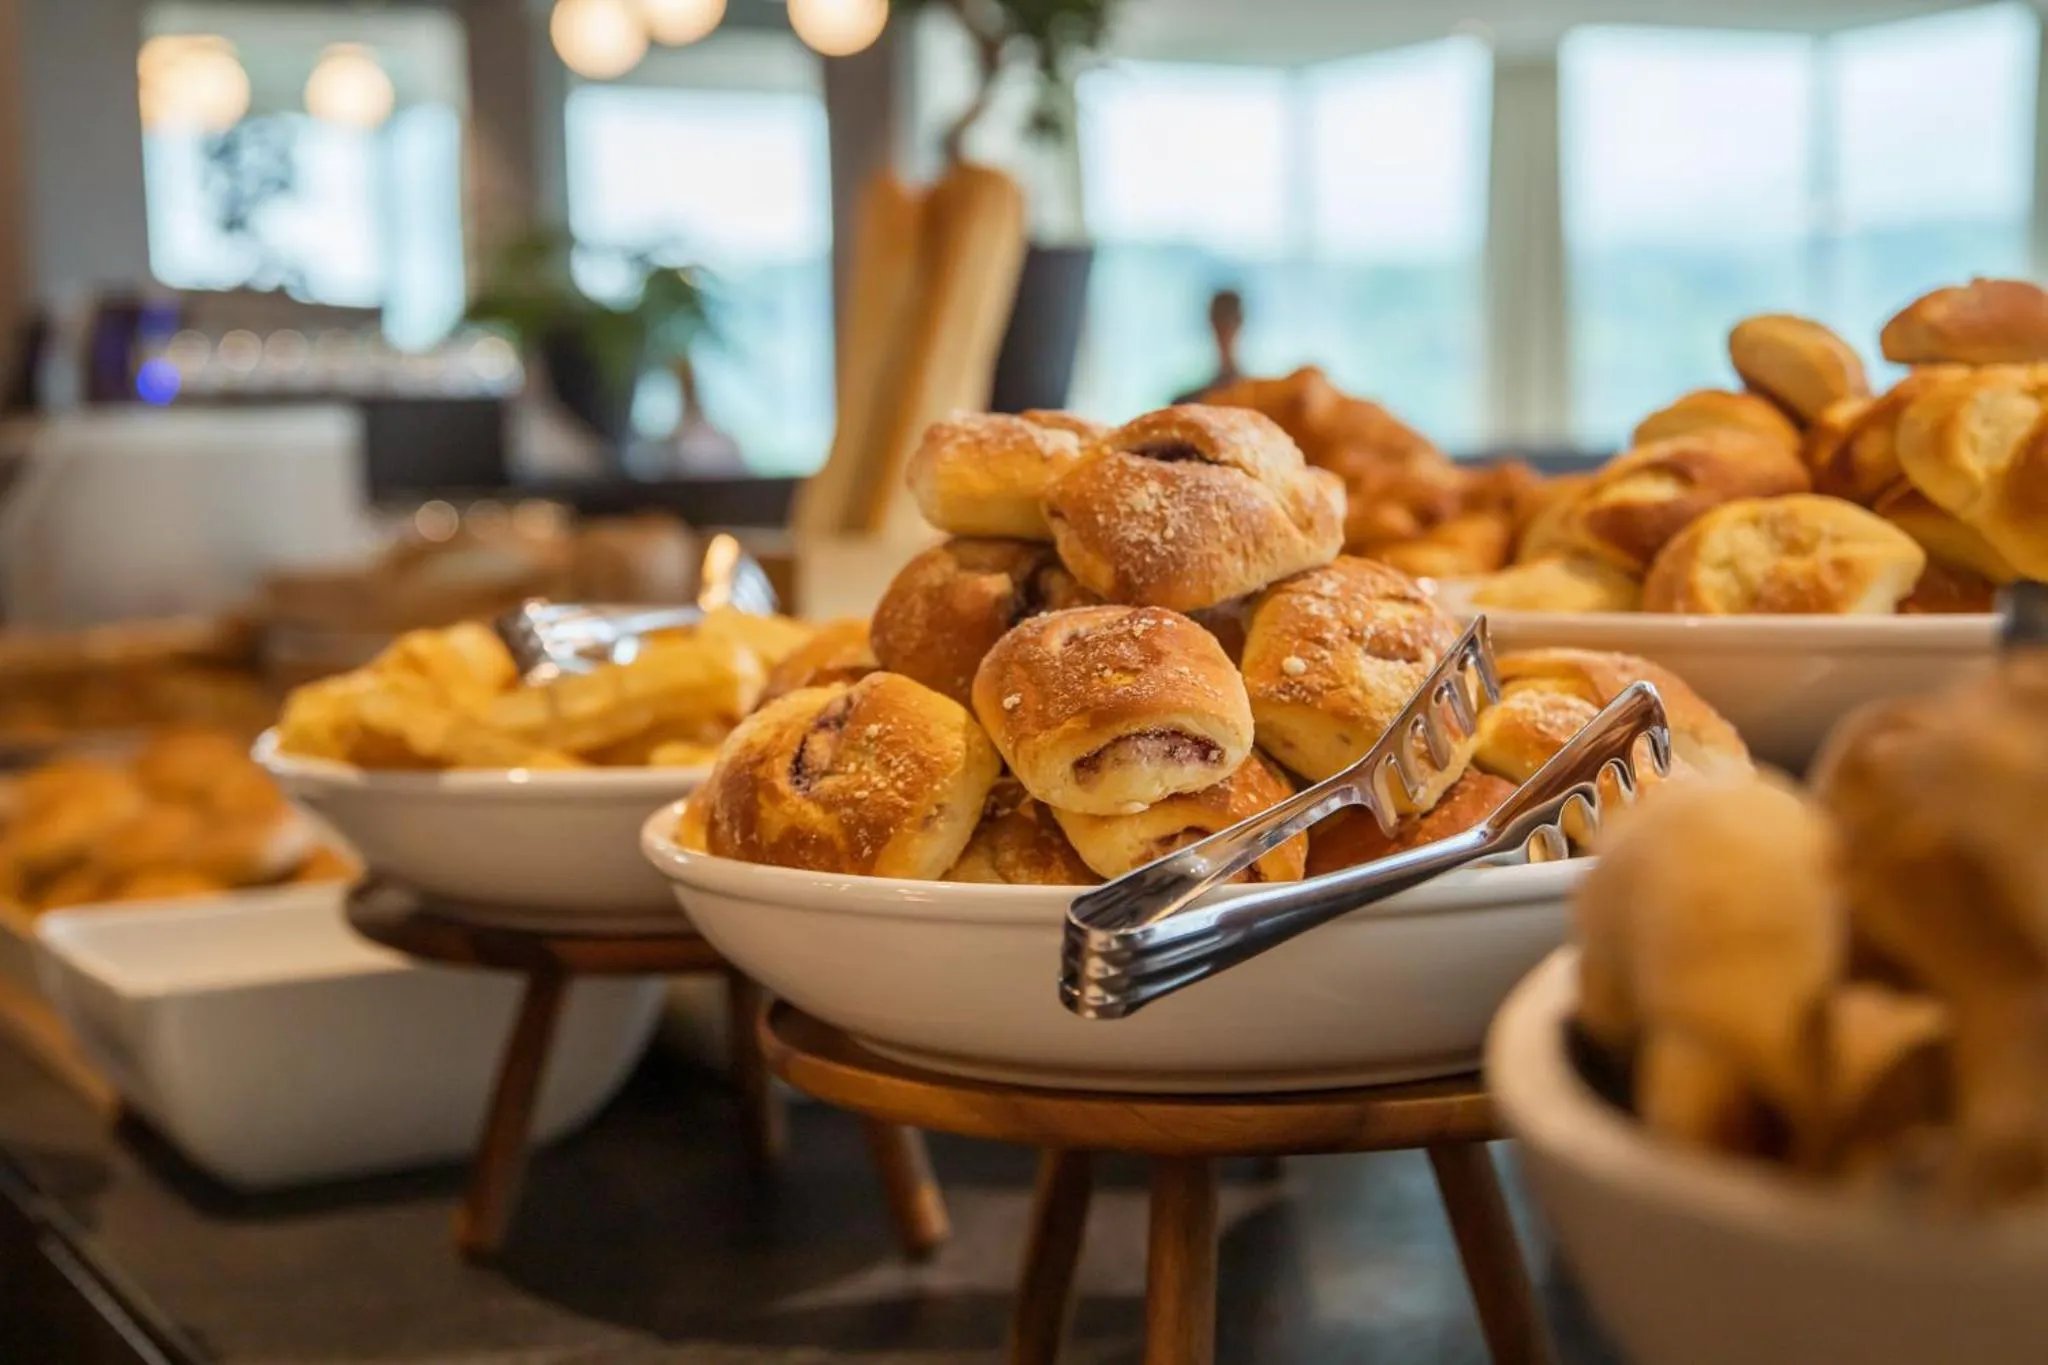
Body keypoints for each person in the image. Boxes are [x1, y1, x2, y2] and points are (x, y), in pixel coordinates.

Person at [1171, 288, 1245, 404]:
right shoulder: (1188, 403)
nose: (1225, 327)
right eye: (1220, 317)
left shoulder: (1260, 401)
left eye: (1229, 317)